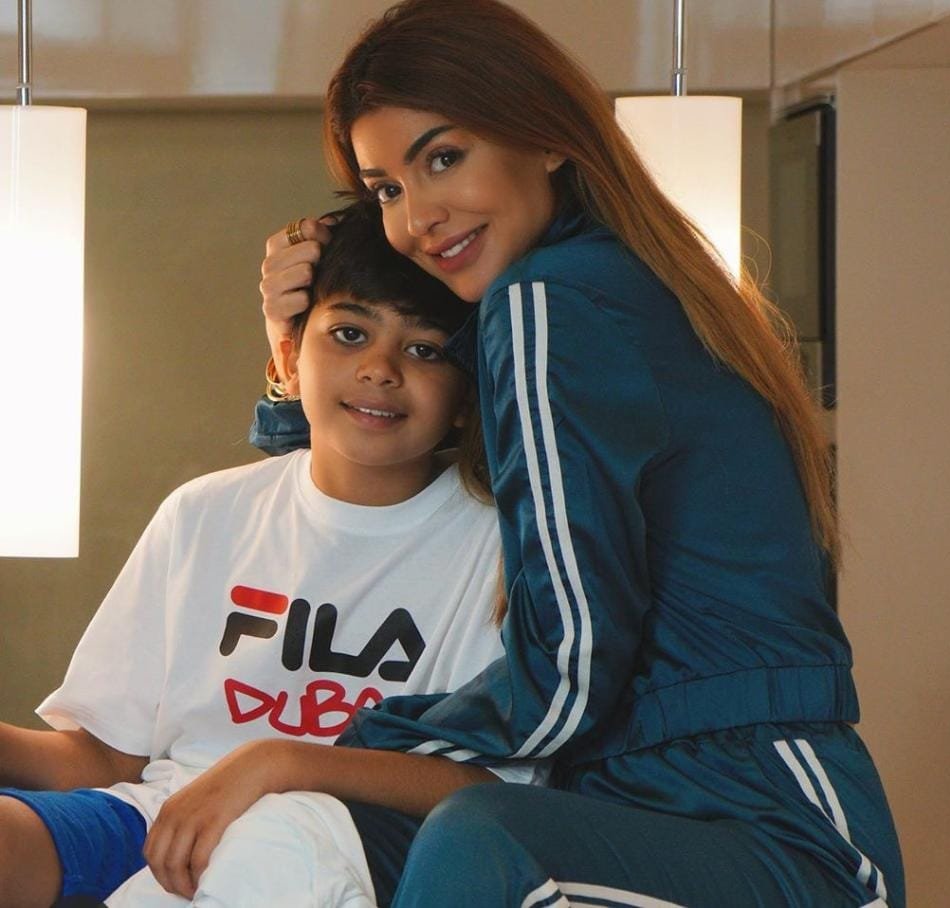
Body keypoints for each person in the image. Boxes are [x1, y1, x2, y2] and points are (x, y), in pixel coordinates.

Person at [255, 1, 906, 906]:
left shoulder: (548, 304)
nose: (417, 219)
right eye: (386, 191)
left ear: (545, 136)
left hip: (761, 824)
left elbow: (571, 667)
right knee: (337, 838)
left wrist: (329, 754)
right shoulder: (621, 286)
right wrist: (291, 371)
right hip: (677, 806)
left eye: (443, 158)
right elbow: (445, 476)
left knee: (463, 833)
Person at [0, 200, 522, 908]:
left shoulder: (496, 547)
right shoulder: (204, 512)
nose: (379, 369)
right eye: (348, 333)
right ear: (287, 357)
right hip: (162, 817)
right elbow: (104, 756)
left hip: (338, 845)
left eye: (424, 350)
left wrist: (275, 764)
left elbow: (491, 788)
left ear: (466, 396)